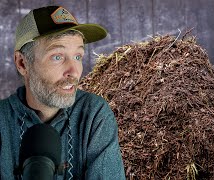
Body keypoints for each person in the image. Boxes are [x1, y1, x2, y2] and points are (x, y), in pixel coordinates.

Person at [0, 6, 126, 179]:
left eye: (78, 56)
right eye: (57, 56)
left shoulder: (93, 115)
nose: (74, 72)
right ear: (22, 63)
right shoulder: (2, 121)